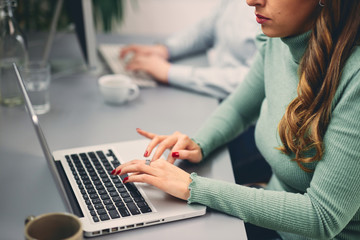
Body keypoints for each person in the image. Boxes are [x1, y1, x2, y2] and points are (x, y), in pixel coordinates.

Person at [111, 0, 360, 239]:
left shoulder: (355, 80)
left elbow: (322, 217)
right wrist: (199, 143)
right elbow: (240, 108)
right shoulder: (282, 37)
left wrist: (193, 187)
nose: (251, 1)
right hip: (273, 218)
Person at [119, 0, 260, 100]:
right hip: (216, 93)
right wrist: (166, 50)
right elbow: (206, 30)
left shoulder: (271, 17)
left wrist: (168, 72)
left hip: (238, 106)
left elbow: (250, 81)